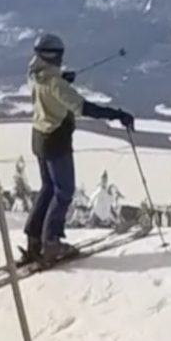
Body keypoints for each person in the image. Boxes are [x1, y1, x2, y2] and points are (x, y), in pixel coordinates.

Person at [23, 32, 134, 265]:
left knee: (47, 187)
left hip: (39, 138)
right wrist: (118, 114)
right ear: (54, 56)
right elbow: (84, 108)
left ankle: (34, 239)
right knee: (63, 191)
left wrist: (63, 78)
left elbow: (48, 84)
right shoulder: (55, 84)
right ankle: (51, 243)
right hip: (56, 141)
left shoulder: (33, 74)